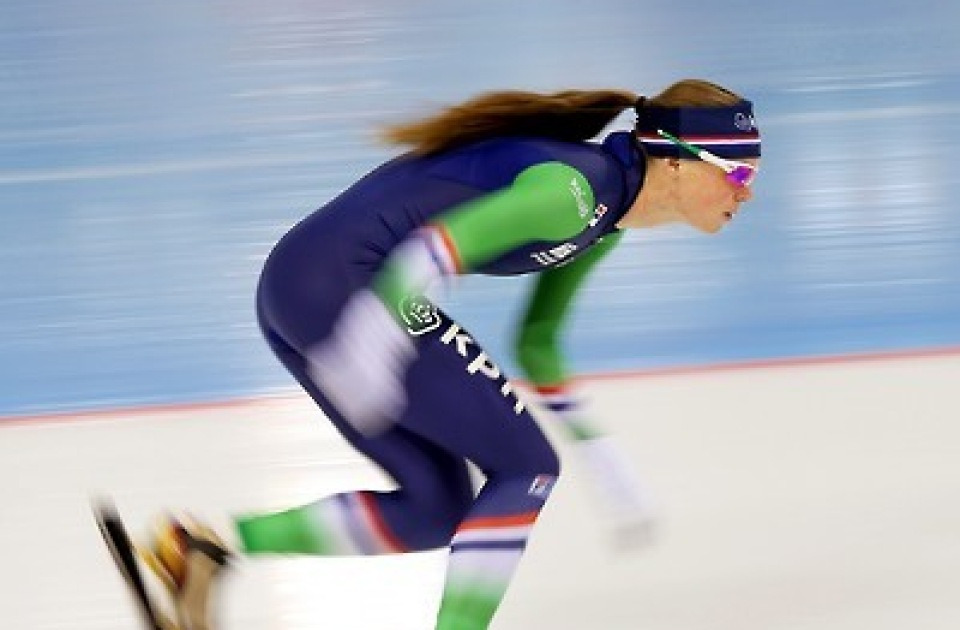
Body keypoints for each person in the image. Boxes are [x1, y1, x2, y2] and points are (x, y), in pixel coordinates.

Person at [137, 78, 761, 630]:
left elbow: (538, 342)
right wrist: (374, 342)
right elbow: (436, 247)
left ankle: (202, 549)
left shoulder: (604, 219)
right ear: (674, 162)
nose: (746, 192)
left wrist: (601, 453)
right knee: (526, 466)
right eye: (736, 173)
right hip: (346, 287)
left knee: (435, 508)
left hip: (300, 289)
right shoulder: (571, 193)